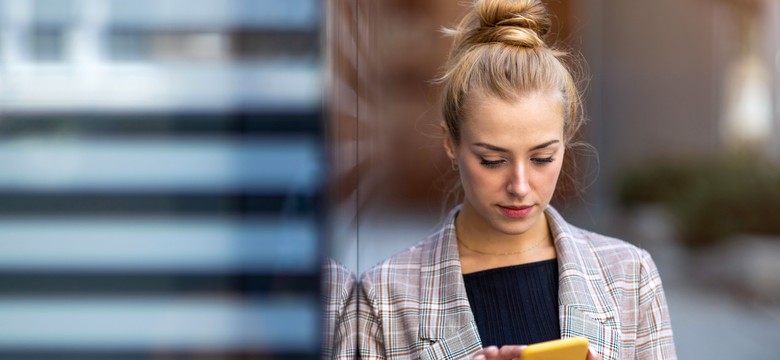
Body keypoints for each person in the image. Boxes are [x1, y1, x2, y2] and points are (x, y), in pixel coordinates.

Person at [354, 0, 676, 359]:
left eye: (542, 158)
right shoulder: (382, 298)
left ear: (566, 139)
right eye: (492, 161)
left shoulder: (630, 276)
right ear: (450, 143)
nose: (520, 186)